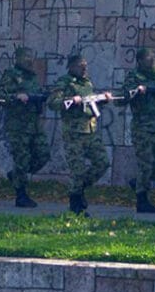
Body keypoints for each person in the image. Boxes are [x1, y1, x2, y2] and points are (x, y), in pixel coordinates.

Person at [48, 54, 112, 216]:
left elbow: (90, 102)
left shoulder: (87, 83)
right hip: (74, 133)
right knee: (78, 169)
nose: (84, 69)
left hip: (90, 131)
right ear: (71, 67)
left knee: (102, 162)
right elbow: (53, 103)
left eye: (85, 65)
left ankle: (79, 188)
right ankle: (76, 204)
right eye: (80, 66)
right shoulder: (65, 83)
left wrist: (103, 99)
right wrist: (70, 101)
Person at [122, 47, 155, 214]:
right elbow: (123, 97)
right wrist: (137, 91)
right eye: (148, 58)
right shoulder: (133, 78)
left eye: (153, 57)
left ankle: (138, 182)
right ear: (139, 62)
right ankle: (142, 200)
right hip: (142, 127)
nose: (152, 61)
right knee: (146, 163)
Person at [0, 47, 50, 208]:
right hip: (18, 125)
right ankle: (21, 195)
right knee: (21, 159)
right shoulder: (11, 75)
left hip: (33, 124)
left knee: (43, 155)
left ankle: (15, 175)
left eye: (31, 57)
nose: (30, 60)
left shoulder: (32, 77)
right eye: (26, 57)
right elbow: (1, 95)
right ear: (19, 59)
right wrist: (16, 97)